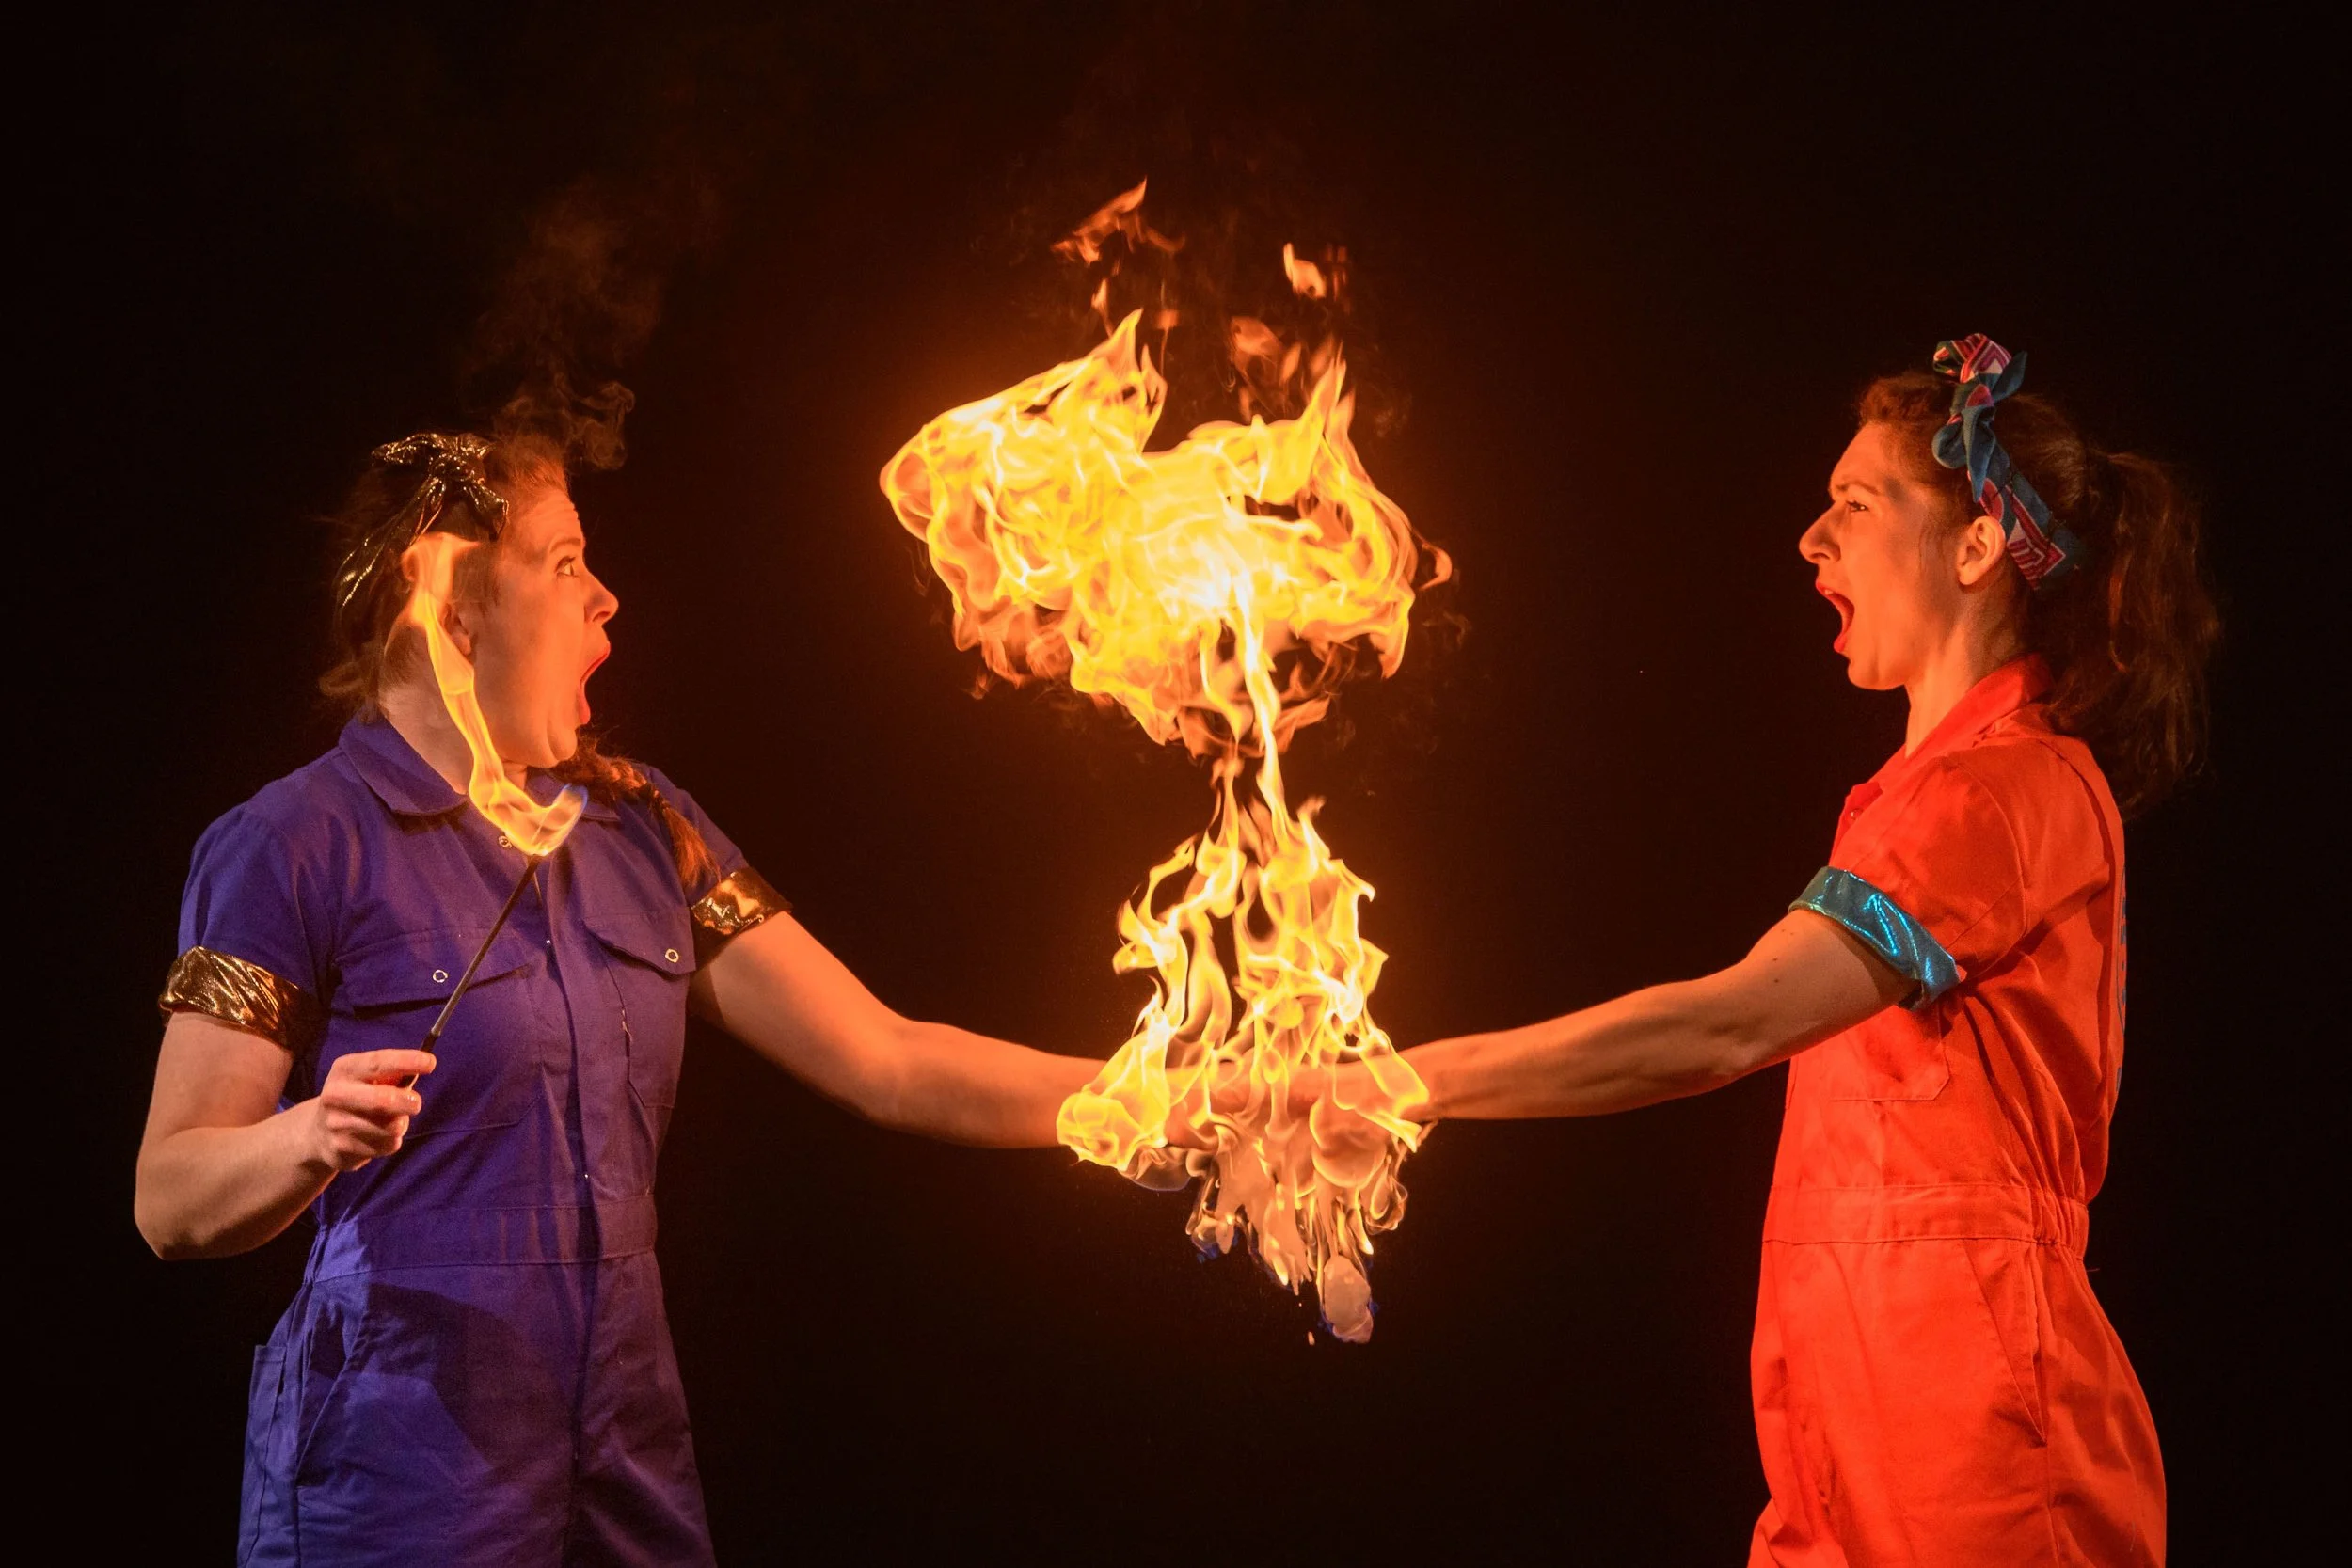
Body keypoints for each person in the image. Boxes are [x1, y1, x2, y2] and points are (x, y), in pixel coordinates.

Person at [135, 426, 1104, 1566]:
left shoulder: (646, 825)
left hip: (625, 1436)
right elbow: (172, 1198)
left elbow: (889, 1059)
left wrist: (1173, 1102)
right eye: (561, 562)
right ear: (451, 589)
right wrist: (312, 1133)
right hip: (401, 1459)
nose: (606, 596)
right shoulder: (293, 844)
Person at [1390, 337, 2215, 1564]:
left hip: (1973, 1441)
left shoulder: (2012, 787)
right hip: (1840, 1417)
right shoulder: (1915, 800)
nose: (1809, 540)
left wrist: (1397, 1082)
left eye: (1853, 504)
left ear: (1979, 544)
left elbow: (1726, 1023)